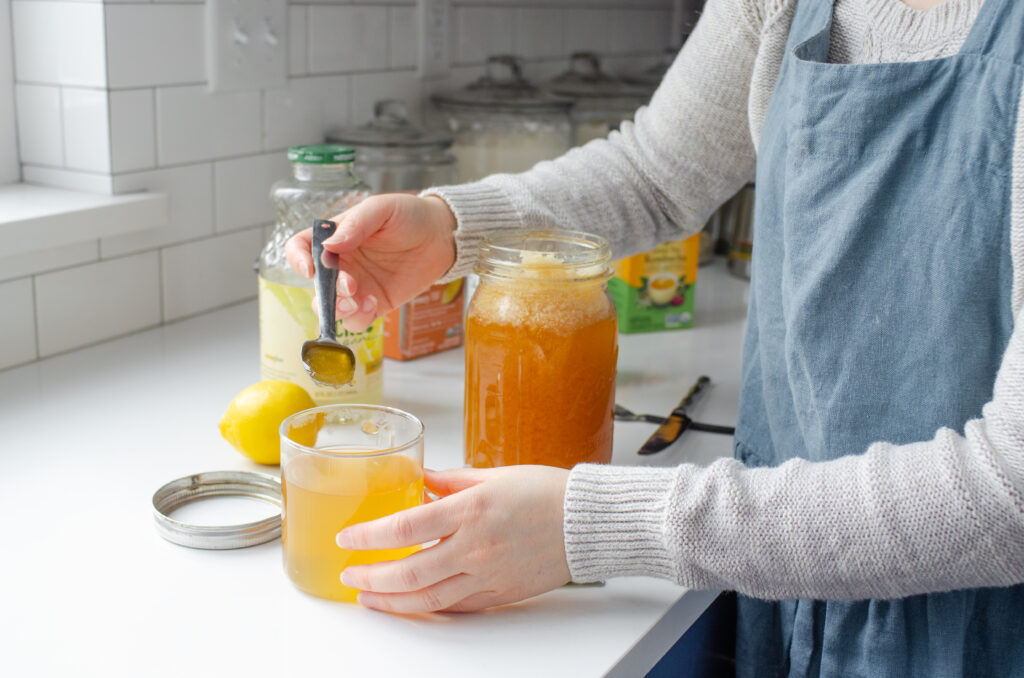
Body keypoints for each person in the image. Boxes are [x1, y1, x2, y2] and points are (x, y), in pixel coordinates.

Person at [285, 0, 1024, 674]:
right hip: (789, 562)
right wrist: (451, 229)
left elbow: (1010, 493)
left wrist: (599, 526)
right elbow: (658, 174)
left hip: (978, 609)